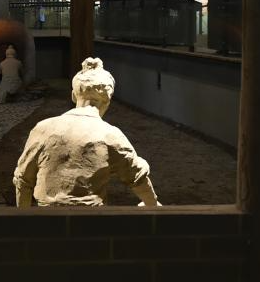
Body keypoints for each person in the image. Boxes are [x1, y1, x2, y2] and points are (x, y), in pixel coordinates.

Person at [13, 57, 160, 207]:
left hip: (47, 217)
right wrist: (152, 205)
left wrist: (24, 215)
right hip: (91, 219)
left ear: (73, 95)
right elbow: (137, 177)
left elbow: (22, 179)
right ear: (108, 100)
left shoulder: (43, 128)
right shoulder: (110, 135)